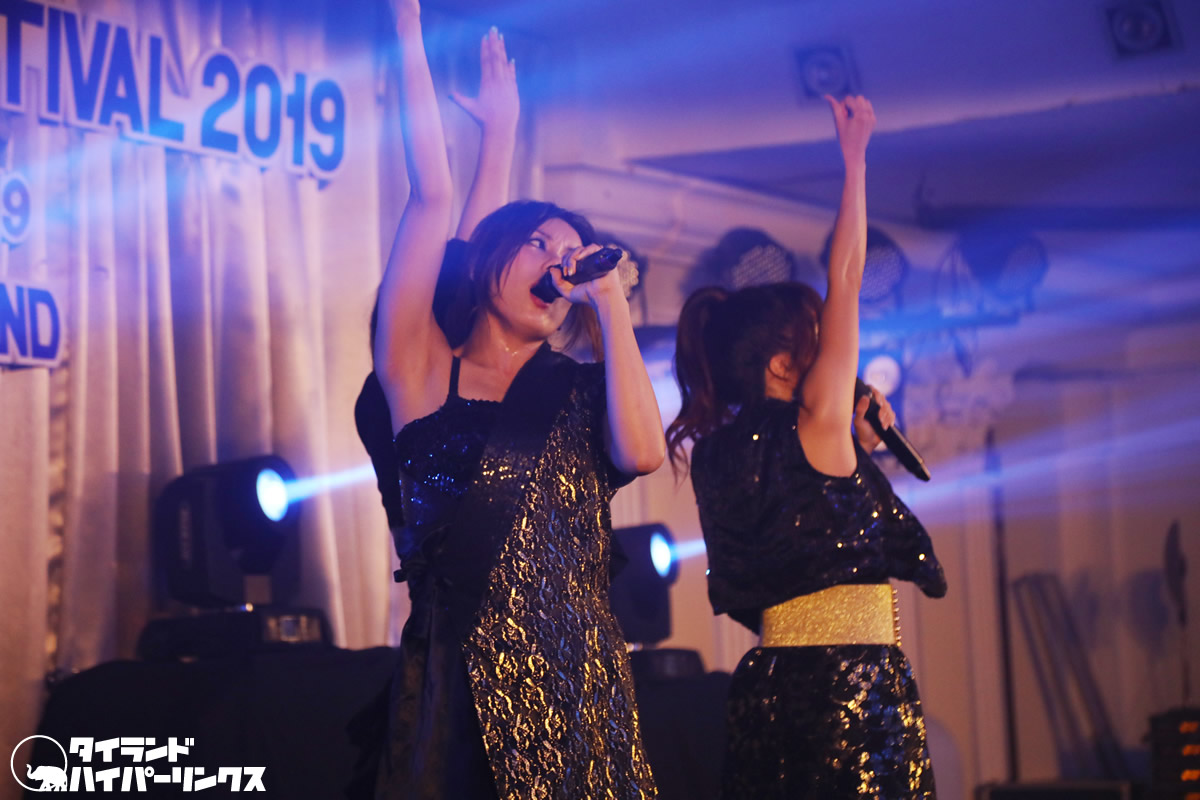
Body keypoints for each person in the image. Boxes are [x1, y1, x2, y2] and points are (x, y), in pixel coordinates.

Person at [372, 2, 664, 798]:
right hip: (462, 686)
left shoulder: (575, 389)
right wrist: (408, 31)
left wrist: (610, 302)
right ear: (490, 259)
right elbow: (434, 198)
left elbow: (643, 453)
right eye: (540, 244)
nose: (558, 264)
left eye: (571, 253)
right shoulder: (421, 369)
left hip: (582, 684)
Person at [667, 96, 947, 799]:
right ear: (780, 363)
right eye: (815, 341)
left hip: (769, 689)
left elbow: (796, 532)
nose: (831, 351)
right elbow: (846, 274)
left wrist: (854, 454)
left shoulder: (716, 452)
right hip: (849, 688)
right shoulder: (814, 426)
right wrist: (854, 161)